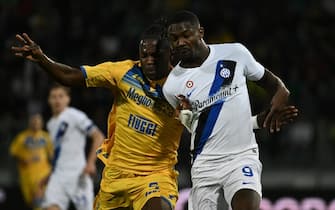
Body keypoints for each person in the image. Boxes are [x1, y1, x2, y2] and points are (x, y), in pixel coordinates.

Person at [11, 22, 297, 210]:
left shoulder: (182, 87)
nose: (147, 60)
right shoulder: (122, 72)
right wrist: (43, 59)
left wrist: (260, 120)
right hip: (115, 175)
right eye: (143, 54)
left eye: (154, 55)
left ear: (169, 55)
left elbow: (212, 124)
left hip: (157, 175)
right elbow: (73, 75)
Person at [163, 10, 292, 210]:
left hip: (242, 157)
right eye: (174, 38)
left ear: (200, 32)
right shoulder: (172, 86)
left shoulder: (235, 53)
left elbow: (272, 84)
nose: (180, 42)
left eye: (186, 35)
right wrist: (258, 121)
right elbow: (200, 127)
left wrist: (281, 93)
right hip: (205, 165)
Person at [41, 84, 105, 210]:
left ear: (67, 99)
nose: (57, 100)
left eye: (61, 96)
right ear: (49, 100)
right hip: (58, 176)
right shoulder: (50, 124)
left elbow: (98, 136)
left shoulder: (75, 115)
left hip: (78, 174)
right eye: (53, 97)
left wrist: (91, 162)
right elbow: (58, 153)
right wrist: (49, 175)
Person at [10, 113, 53, 210]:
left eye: (38, 121)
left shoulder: (46, 137)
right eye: (33, 121)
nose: (35, 123)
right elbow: (14, 153)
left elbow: (52, 156)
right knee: (31, 203)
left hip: (43, 175)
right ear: (29, 123)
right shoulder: (22, 137)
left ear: (42, 123)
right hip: (27, 176)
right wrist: (22, 159)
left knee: (39, 201)